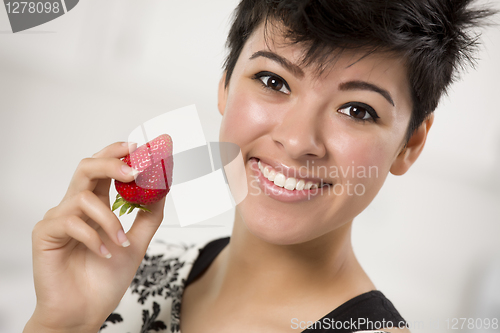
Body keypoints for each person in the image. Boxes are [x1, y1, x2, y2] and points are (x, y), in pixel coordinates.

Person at [23, 0, 495, 332]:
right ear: (226, 83)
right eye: (273, 80)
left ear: (410, 144)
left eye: (357, 110)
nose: (296, 140)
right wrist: (61, 324)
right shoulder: (137, 271)